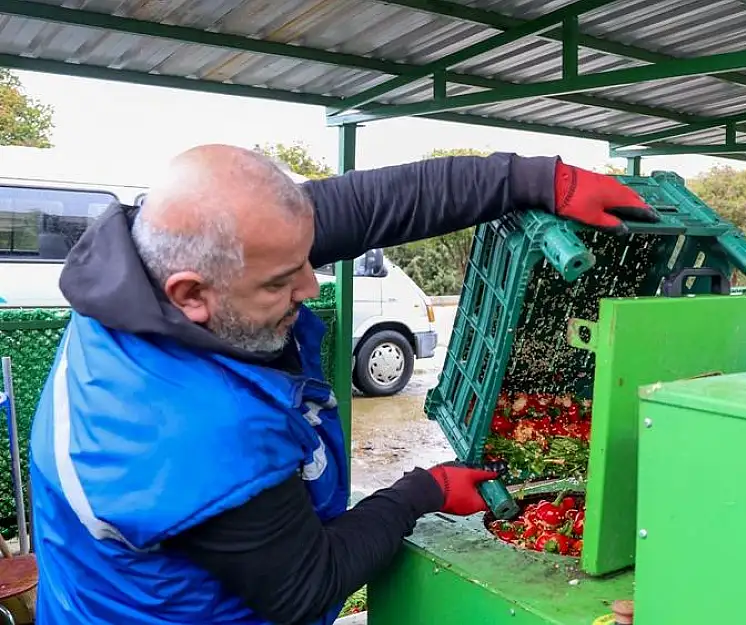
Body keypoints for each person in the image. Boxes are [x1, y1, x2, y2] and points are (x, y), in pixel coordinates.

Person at [28, 144, 660, 624]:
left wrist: (533, 178)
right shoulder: (191, 431)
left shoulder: (164, 259)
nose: (309, 289)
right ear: (190, 294)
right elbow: (307, 587)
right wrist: (423, 489)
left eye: (306, 262)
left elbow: (367, 205)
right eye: (281, 284)